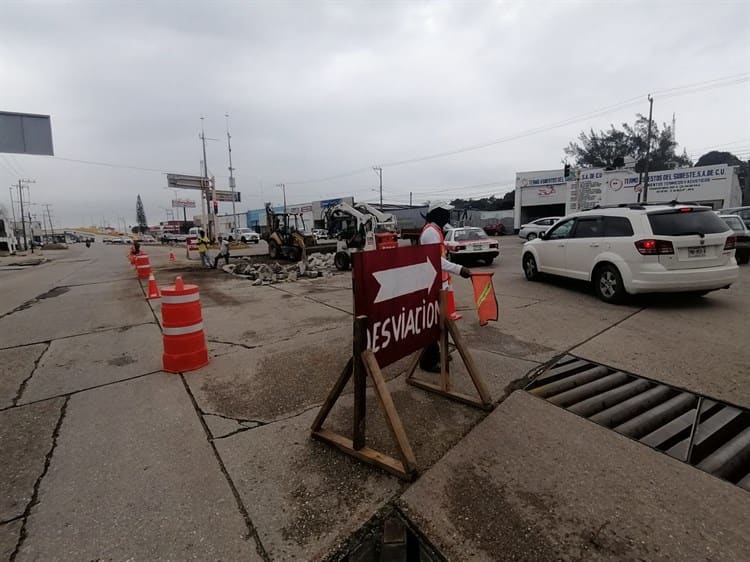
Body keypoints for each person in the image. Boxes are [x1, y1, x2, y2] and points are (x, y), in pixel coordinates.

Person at [419, 202, 471, 373]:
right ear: (436, 214)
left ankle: (437, 355)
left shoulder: (435, 232)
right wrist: (459, 269)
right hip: (433, 285)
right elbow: (435, 260)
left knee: (440, 322)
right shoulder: (430, 233)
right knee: (433, 324)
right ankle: (428, 361)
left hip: (439, 283)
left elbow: (438, 254)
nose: (447, 217)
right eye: (445, 213)